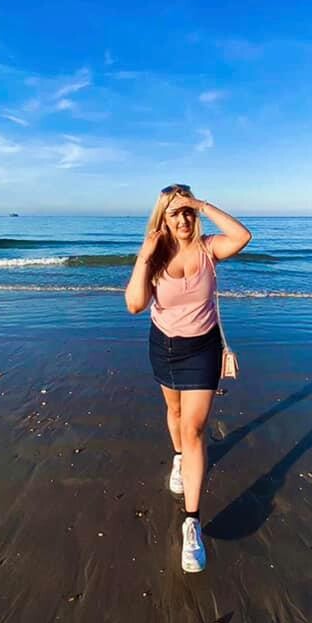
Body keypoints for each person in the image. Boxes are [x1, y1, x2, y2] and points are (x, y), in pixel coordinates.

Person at [125, 184, 252, 573]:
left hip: (203, 350)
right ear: (162, 219)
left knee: (194, 429)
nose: (182, 219)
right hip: (164, 347)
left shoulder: (210, 249)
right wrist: (144, 255)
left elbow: (243, 236)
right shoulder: (155, 256)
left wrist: (201, 203)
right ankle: (179, 458)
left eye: (187, 212)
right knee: (175, 412)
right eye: (174, 213)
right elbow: (134, 305)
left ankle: (191, 522)